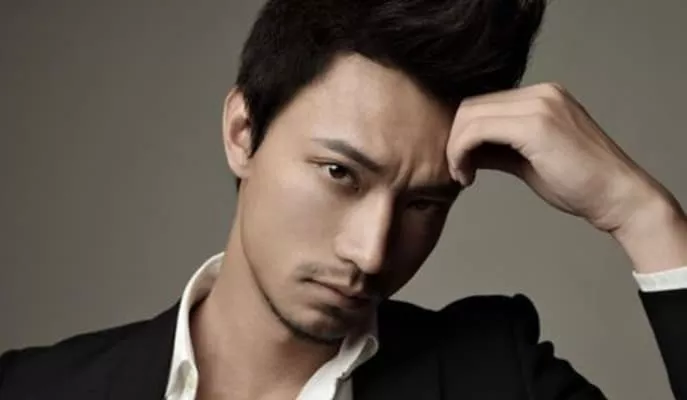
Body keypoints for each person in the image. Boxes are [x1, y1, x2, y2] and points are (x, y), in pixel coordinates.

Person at [1, 0, 686, 399]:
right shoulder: (33, 389)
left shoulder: (497, 378)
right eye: (340, 173)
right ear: (243, 133)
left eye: (423, 204)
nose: (372, 252)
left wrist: (642, 215)